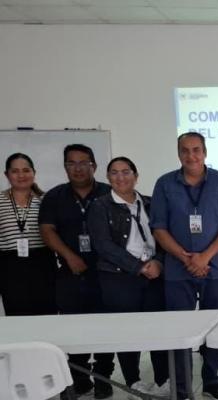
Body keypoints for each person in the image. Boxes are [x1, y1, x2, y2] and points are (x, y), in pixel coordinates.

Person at [150, 132, 218, 400]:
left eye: (196, 150)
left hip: (216, 268)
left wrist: (204, 257)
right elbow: (159, 227)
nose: (191, 155)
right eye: (185, 150)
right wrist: (186, 258)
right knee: (181, 329)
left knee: (213, 327)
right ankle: (182, 386)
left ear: (205, 152)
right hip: (178, 270)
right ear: (178, 153)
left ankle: (212, 381)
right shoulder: (165, 184)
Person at [87, 157, 169, 397]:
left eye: (126, 172)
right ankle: (133, 381)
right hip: (119, 277)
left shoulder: (151, 203)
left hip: (154, 275)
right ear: (108, 177)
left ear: (136, 175)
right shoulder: (100, 206)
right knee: (127, 331)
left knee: (158, 330)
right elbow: (103, 245)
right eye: (114, 173)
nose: (120, 177)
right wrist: (139, 267)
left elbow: (165, 236)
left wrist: (159, 263)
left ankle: (163, 379)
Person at [39, 144, 115, 399]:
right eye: (72, 163)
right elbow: (47, 231)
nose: (78, 168)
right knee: (73, 328)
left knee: (106, 327)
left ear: (94, 165)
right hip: (70, 273)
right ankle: (80, 377)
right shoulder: (54, 197)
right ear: (65, 167)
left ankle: (104, 376)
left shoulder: (109, 192)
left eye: (84, 162)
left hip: (106, 273)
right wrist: (70, 256)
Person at [0, 153, 56, 316]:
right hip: (9, 266)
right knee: (17, 316)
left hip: (42, 263)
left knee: (46, 313)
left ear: (33, 172)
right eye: (15, 171)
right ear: (6, 175)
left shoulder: (47, 200)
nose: (21, 175)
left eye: (26, 170)